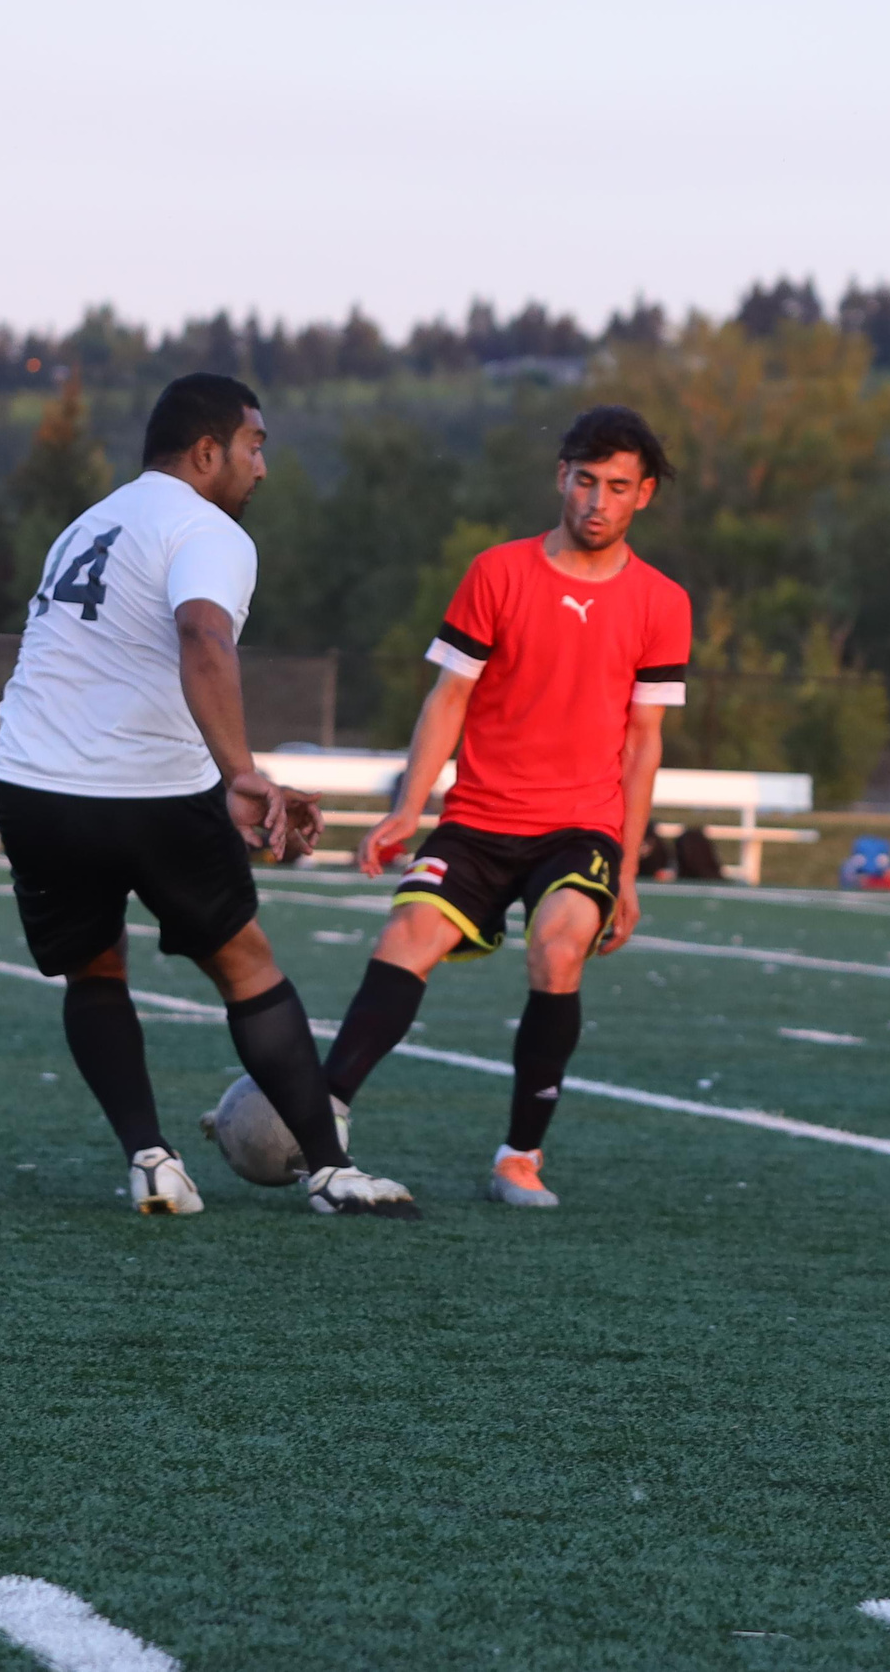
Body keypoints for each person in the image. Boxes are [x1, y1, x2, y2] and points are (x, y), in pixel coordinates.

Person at [0, 372, 419, 1216]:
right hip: (143, 788)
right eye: (255, 447)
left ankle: (152, 1158)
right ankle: (331, 1171)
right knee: (245, 963)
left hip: (30, 785)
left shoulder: (88, 522)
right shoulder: (206, 526)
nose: (263, 468)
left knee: (94, 970)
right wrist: (240, 771)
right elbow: (203, 634)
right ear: (206, 451)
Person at [319, 406, 691, 1208]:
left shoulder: (663, 602)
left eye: (617, 487)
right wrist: (408, 807)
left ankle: (519, 1156)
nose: (597, 500)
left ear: (644, 495)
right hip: (481, 815)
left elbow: (643, 743)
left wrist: (626, 870)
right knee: (408, 933)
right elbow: (449, 697)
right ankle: (322, 1116)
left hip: (580, 825)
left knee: (559, 949)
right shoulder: (497, 572)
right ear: (562, 475)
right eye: (585, 480)